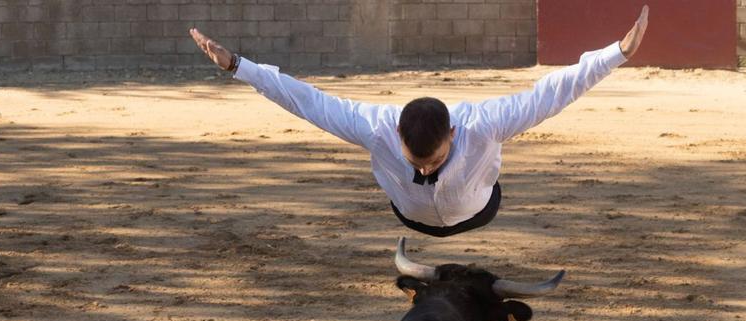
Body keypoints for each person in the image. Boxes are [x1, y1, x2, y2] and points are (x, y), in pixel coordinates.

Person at [189, 6, 649, 237]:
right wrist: (238, 67)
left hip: (476, 212)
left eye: (434, 160)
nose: (426, 169)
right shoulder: (375, 126)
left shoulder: (484, 123)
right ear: (396, 137)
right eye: (417, 161)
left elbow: (552, 92)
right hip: (410, 217)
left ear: (453, 134)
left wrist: (617, 53)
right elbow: (306, 100)